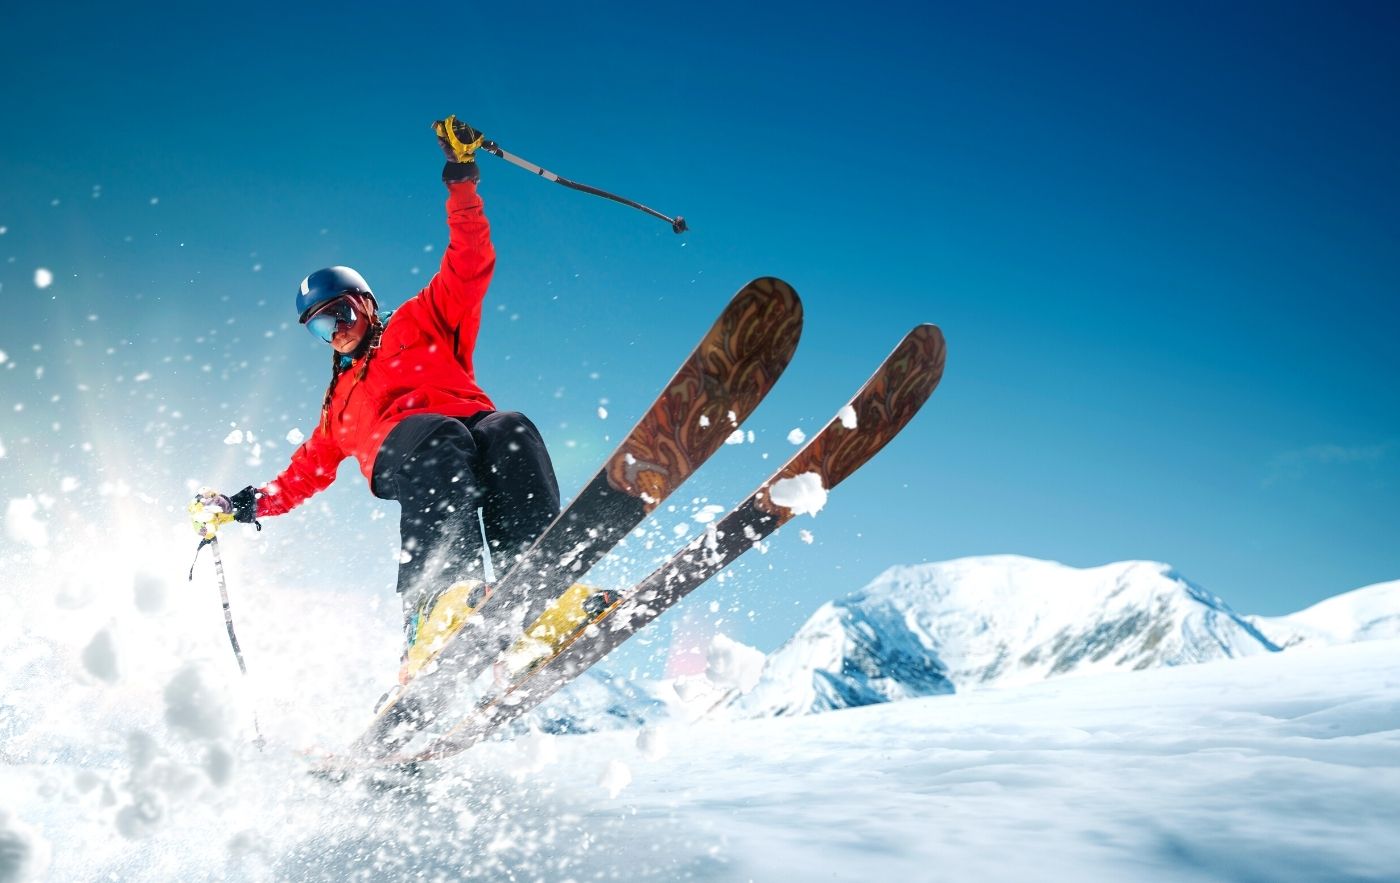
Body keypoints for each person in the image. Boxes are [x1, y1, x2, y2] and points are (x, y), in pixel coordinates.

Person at [201, 115, 561, 682]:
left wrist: (461, 180)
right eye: (320, 328)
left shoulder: (422, 321)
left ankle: (536, 597)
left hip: (469, 429)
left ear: (365, 303)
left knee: (509, 429)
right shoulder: (339, 405)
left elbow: (468, 264)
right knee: (440, 438)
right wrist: (242, 504)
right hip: (412, 454)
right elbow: (301, 476)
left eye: (340, 313)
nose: (336, 331)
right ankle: (435, 608)